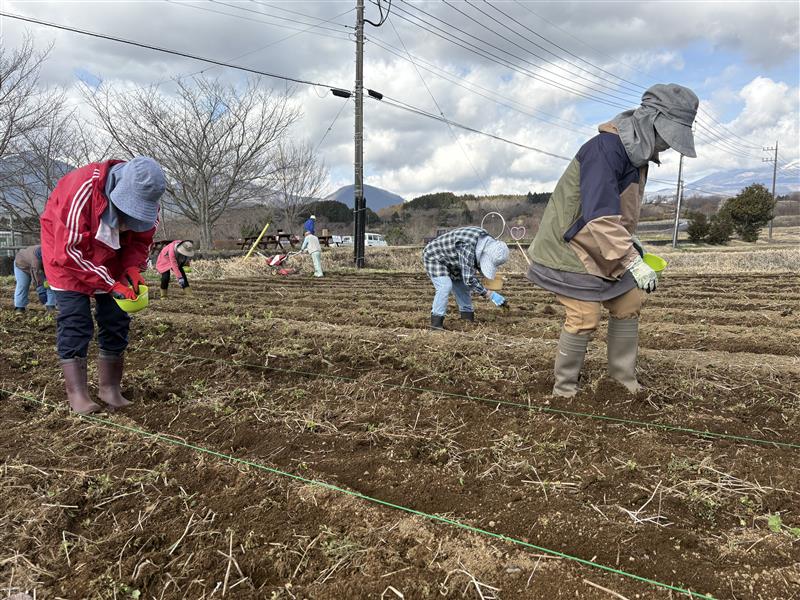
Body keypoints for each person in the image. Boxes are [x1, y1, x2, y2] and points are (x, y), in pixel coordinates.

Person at [526, 83, 698, 396]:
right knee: (584, 316)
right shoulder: (604, 150)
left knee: (629, 301)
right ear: (652, 121)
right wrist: (632, 260)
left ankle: (622, 383)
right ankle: (564, 391)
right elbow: (599, 216)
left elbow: (618, 212)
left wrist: (632, 243)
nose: (668, 146)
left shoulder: (636, 154)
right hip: (569, 246)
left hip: (600, 243)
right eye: (669, 136)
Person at [40, 156, 165, 414]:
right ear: (117, 189)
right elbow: (69, 252)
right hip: (67, 258)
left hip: (112, 257)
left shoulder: (150, 204)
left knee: (116, 317)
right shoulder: (81, 190)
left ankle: (110, 388)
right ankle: (78, 394)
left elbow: (141, 241)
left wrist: (132, 268)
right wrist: (110, 284)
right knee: (76, 320)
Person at [423, 226, 509, 330]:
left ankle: (467, 320)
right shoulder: (467, 246)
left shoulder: (485, 241)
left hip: (454, 259)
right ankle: (436, 324)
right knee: (445, 286)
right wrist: (489, 294)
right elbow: (469, 279)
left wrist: (493, 278)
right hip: (435, 256)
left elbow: (476, 265)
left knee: (463, 287)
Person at [13, 245, 56, 314]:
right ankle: (19, 308)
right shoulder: (36, 260)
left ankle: (51, 306)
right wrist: (42, 292)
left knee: (50, 283)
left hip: (39, 266)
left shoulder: (50, 252)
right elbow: (36, 278)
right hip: (21, 265)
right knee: (23, 285)